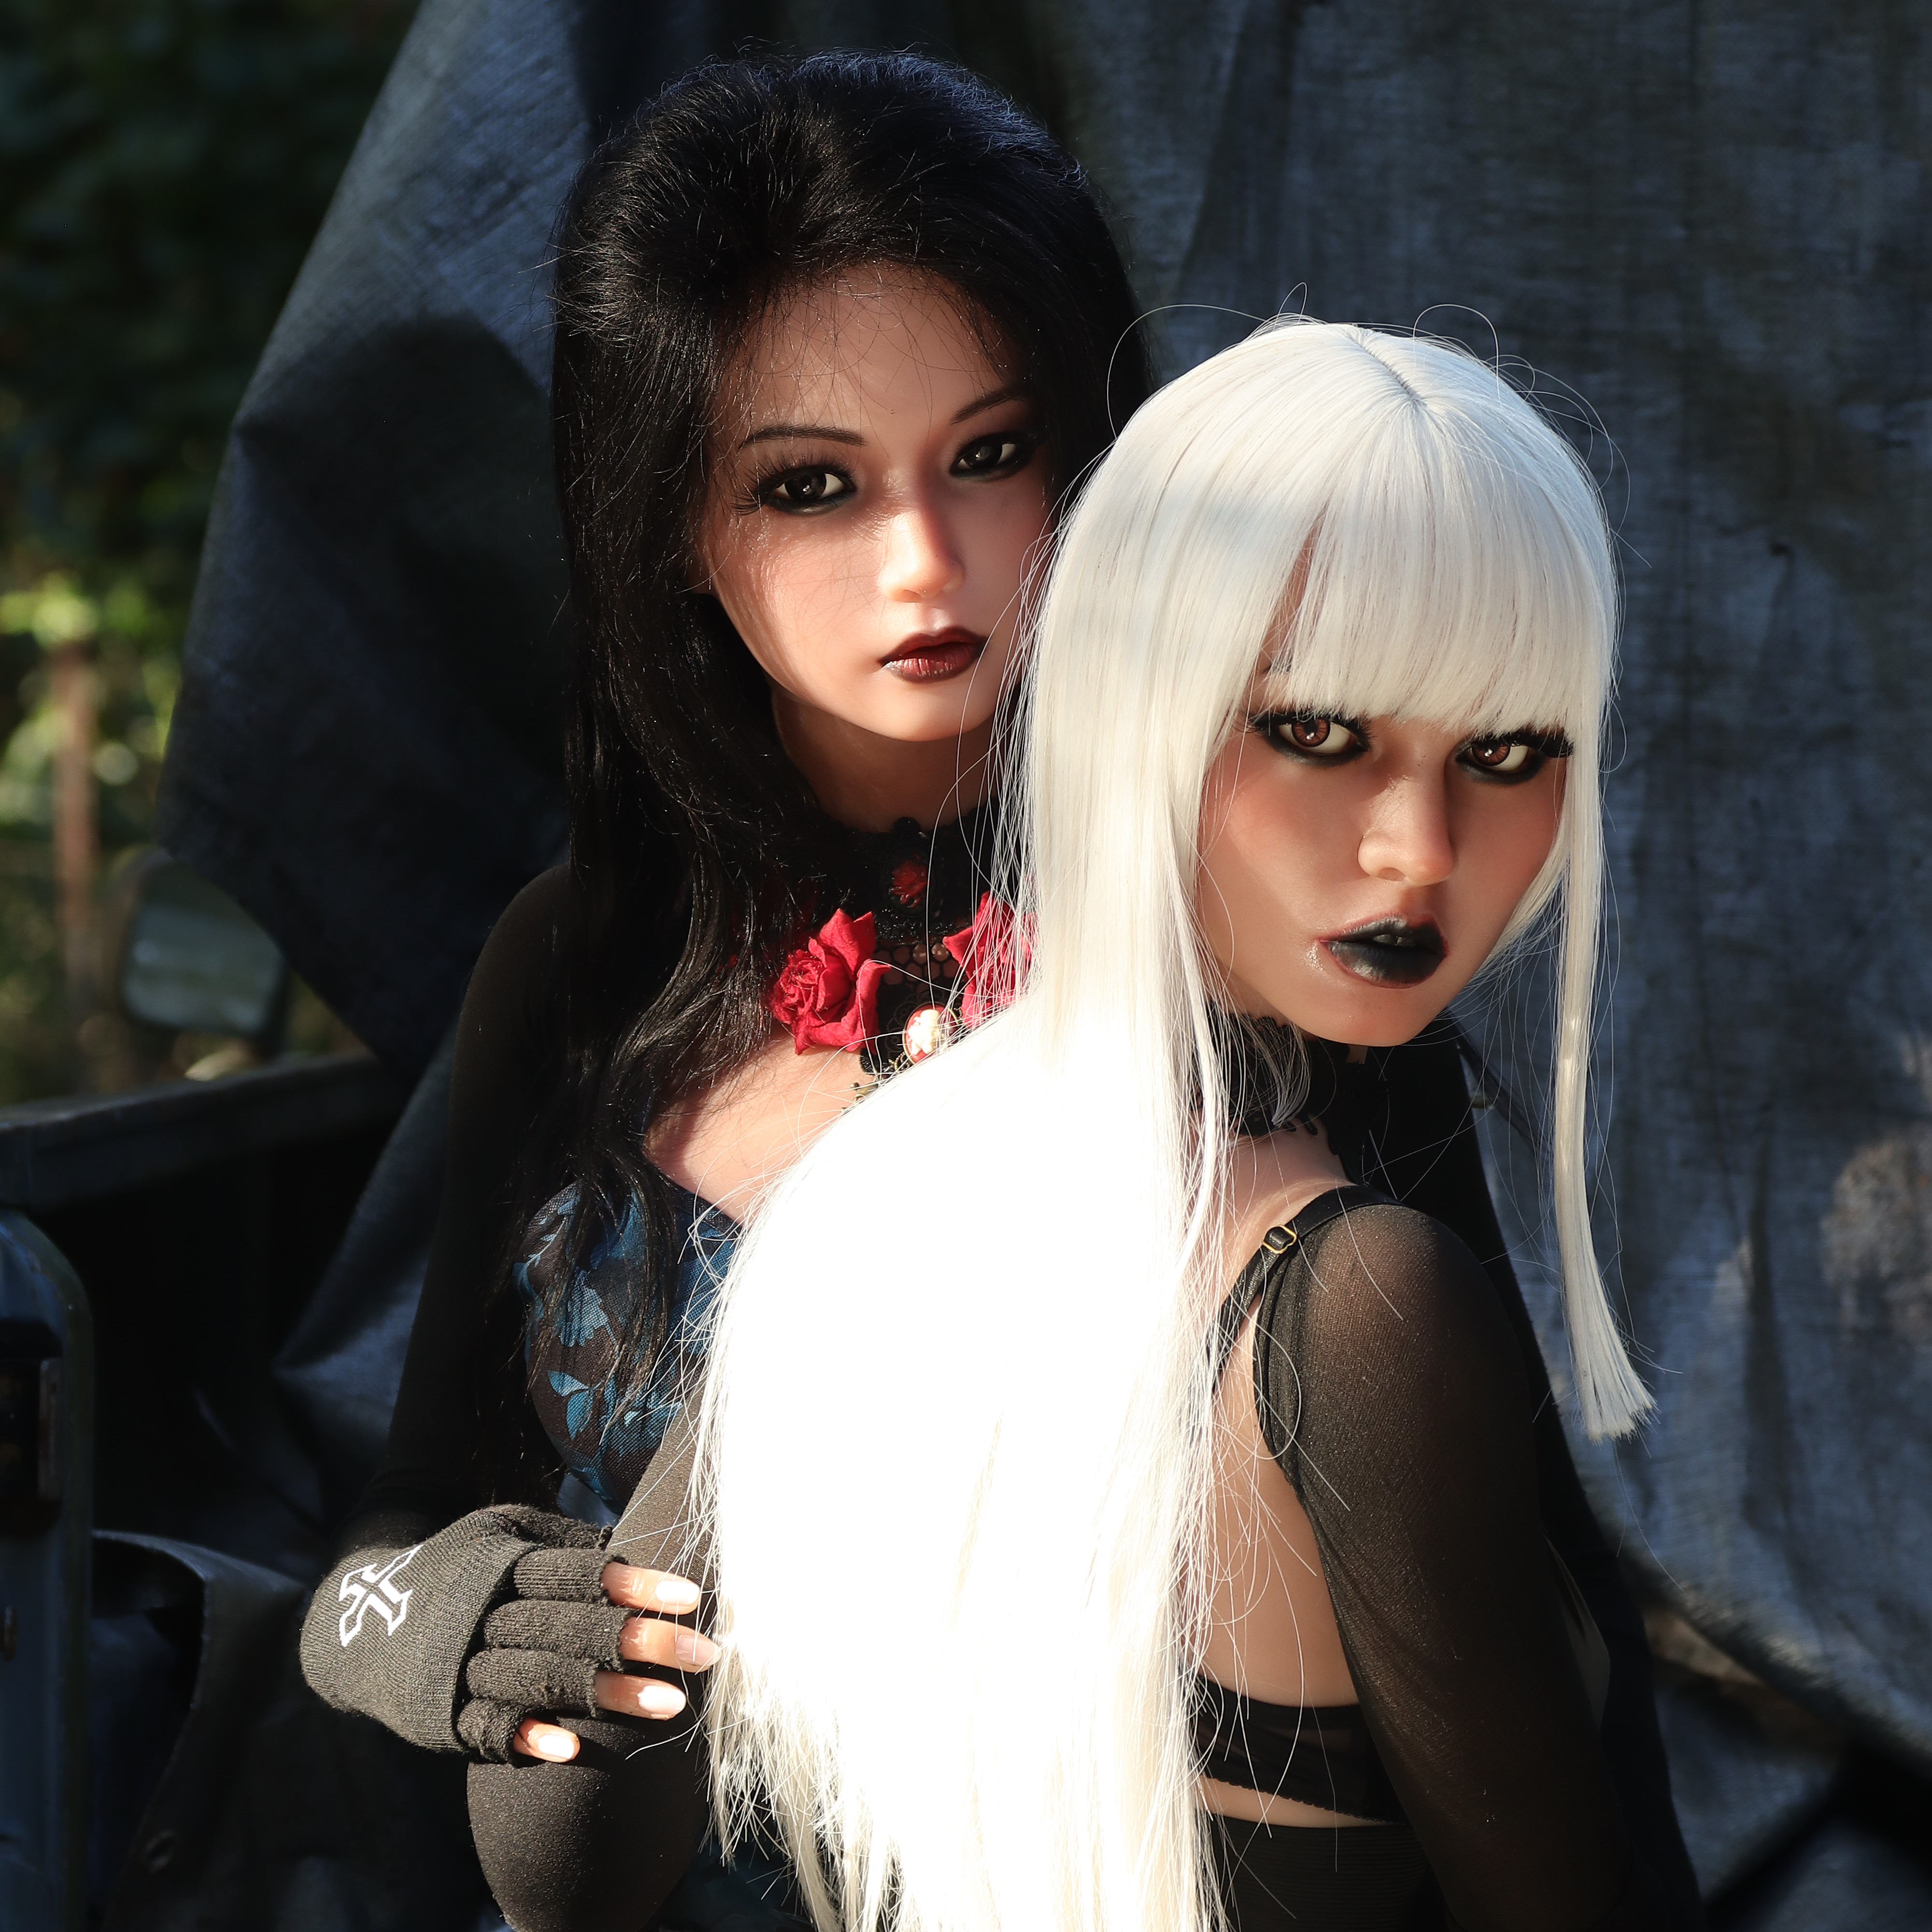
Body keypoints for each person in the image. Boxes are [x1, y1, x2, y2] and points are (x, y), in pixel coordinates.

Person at [683, 318, 1705, 1930]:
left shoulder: (861, 1190)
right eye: (1319, 734)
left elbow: (558, 1849)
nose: (1420, 849)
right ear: (1134, 708)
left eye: (1507, 755)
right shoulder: (1362, 1308)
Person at [296, 50, 1151, 1932]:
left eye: (991, 454)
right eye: (810, 486)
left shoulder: (1217, 951)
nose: (923, 561)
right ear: (677, 525)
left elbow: (1484, 1611)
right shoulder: (579, 961)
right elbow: (377, 1535)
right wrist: (418, 1627)